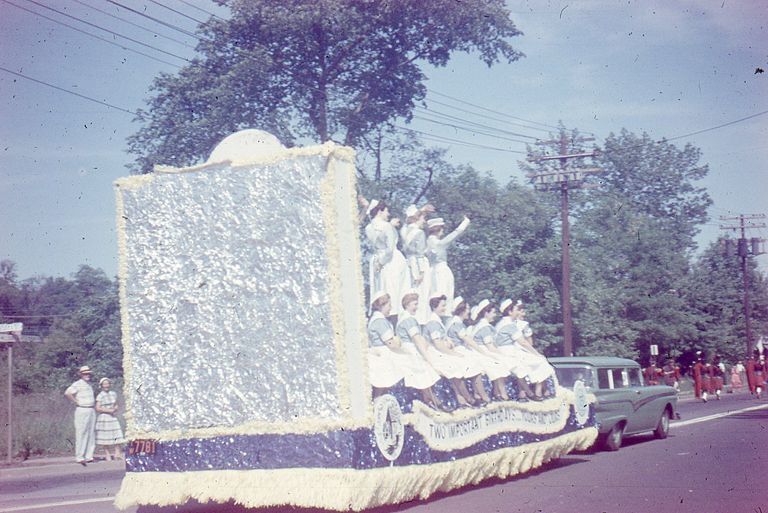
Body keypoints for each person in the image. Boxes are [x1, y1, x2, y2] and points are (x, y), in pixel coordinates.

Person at [423, 293, 483, 407]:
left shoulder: (438, 321)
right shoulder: (433, 323)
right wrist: (454, 353)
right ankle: (469, 398)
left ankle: (463, 399)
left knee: (458, 366)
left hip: (439, 352)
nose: (444, 308)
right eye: (442, 306)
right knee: (456, 367)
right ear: (435, 307)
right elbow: (438, 345)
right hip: (434, 354)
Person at [445, 296, 504, 405]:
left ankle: (479, 395)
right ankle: (484, 397)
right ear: (461, 310)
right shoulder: (457, 324)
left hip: (461, 349)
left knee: (477, 366)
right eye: (467, 309)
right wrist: (483, 352)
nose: (469, 312)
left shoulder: (456, 322)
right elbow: (468, 340)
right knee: (475, 368)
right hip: (459, 350)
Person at [395, 291, 446, 410]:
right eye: (414, 304)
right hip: (410, 351)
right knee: (424, 372)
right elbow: (417, 340)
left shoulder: (404, 318)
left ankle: (431, 400)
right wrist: (428, 357)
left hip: (407, 350)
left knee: (425, 375)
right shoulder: (409, 320)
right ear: (407, 305)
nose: (416, 307)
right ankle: (432, 401)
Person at [499, 299, 555, 400]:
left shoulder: (500, 324)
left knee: (525, 368)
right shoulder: (510, 325)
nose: (518, 312)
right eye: (516, 309)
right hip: (510, 352)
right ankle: (536, 393)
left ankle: (531, 393)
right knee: (540, 361)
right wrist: (536, 353)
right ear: (510, 311)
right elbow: (524, 342)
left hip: (509, 351)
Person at [364, 200, 408, 317]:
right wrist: (382, 263)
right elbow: (390, 249)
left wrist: (379, 263)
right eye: (386, 211)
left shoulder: (368, 227)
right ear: (380, 211)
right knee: (395, 290)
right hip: (391, 261)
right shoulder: (386, 226)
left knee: (381, 288)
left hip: (377, 258)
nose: (388, 214)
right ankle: (394, 316)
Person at [426, 216, 470, 311]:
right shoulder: (439, 243)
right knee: (445, 296)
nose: (443, 231)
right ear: (437, 229)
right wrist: (466, 222)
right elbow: (456, 233)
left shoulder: (427, 242)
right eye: (442, 228)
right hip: (441, 272)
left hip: (431, 272)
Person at [471, 300, 510, 401]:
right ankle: (502, 392)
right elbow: (490, 347)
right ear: (486, 313)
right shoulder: (484, 327)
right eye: (493, 312)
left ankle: (497, 392)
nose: (495, 315)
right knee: (500, 363)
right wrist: (503, 354)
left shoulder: (480, 324)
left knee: (500, 361)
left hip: (480, 351)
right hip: (481, 352)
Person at [400, 205, 432, 324]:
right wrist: (422, 272)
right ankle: (422, 321)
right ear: (417, 218)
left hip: (408, 264)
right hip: (419, 265)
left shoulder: (404, 231)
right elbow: (420, 254)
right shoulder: (419, 233)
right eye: (423, 218)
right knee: (422, 293)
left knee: (411, 291)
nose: (424, 221)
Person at [64, 365, 96, 465]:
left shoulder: (89, 385)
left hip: (91, 410)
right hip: (82, 410)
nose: (87, 375)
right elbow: (68, 393)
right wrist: (76, 401)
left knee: (91, 433)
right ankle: (80, 456)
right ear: (81, 375)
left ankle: (89, 456)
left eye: (88, 374)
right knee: (81, 433)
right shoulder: (77, 384)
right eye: (85, 374)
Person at [95, 378, 125, 460]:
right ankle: (107, 454)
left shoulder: (113, 394)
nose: (106, 386)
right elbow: (97, 408)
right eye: (104, 384)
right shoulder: (100, 395)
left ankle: (117, 453)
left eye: (107, 384)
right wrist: (109, 410)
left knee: (117, 435)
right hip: (104, 417)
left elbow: (116, 404)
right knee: (105, 436)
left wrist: (115, 408)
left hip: (112, 417)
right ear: (101, 386)